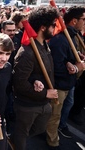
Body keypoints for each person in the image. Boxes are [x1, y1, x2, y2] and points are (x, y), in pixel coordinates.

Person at [12, 6, 59, 150]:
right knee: (21, 135)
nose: (55, 27)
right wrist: (45, 92)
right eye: (53, 25)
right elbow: (18, 83)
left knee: (39, 129)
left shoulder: (44, 45)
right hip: (28, 106)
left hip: (43, 103)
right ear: (43, 27)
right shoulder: (27, 52)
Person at [46, 6, 85, 149]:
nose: (84, 22)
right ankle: (52, 141)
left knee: (67, 106)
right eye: (83, 19)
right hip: (60, 85)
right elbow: (56, 67)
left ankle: (60, 127)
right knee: (54, 114)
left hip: (69, 84)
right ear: (74, 21)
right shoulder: (60, 39)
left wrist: (76, 58)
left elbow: (67, 57)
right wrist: (76, 68)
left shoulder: (73, 36)